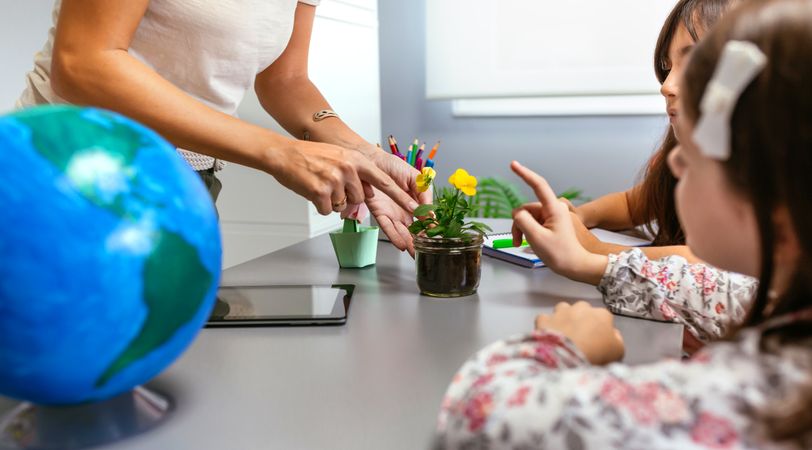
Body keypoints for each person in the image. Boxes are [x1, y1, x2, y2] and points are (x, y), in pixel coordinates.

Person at [435, 0, 812, 447]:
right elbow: (718, 290)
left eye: (696, 156)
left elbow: (477, 418)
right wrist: (588, 262)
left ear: (779, 221)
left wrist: (559, 346)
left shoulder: (754, 400)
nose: (676, 158)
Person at [16, 0, 426, 253]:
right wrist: (278, 152)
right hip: (66, 167)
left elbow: (285, 79)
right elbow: (83, 62)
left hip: (183, 181)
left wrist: (365, 154)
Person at [566, 0, 738, 263]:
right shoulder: (679, 156)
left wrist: (591, 248)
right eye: (667, 67)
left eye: (693, 62)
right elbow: (633, 205)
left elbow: (708, 261)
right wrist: (578, 216)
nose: (666, 86)